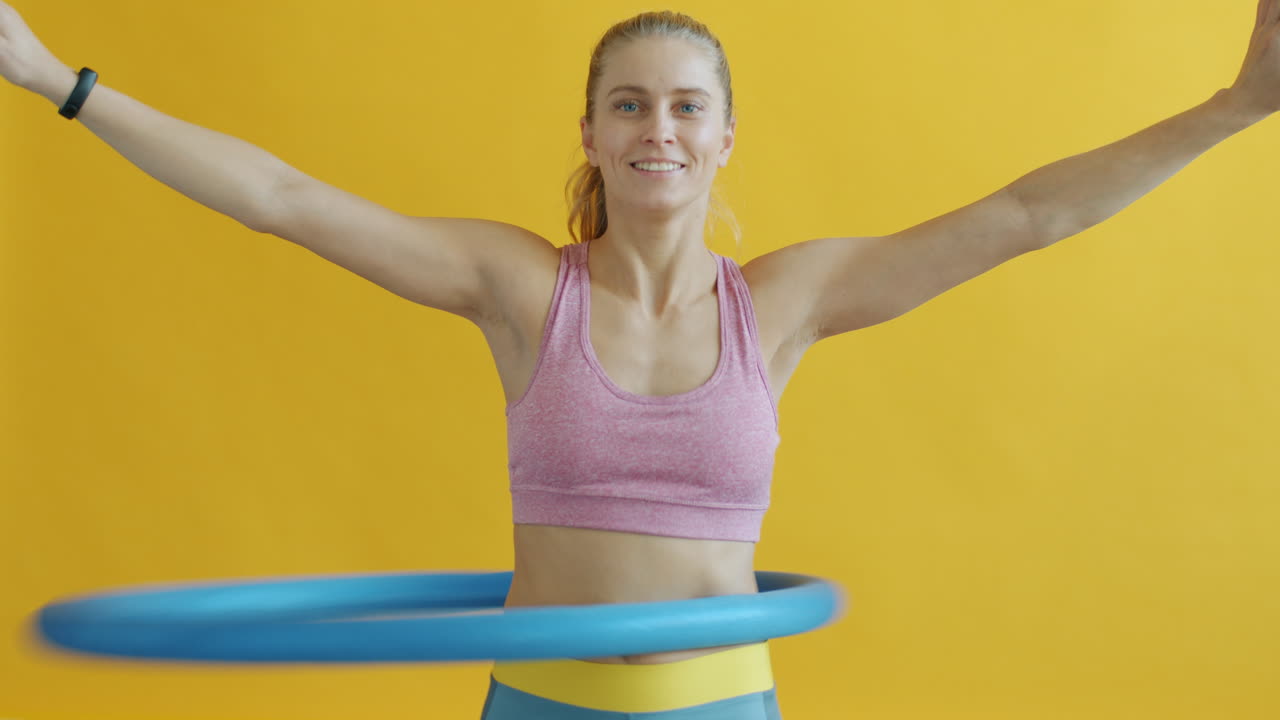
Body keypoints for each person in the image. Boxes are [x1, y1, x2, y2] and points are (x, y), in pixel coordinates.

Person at [4, 1, 1277, 718]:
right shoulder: (517, 289)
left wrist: (1234, 106)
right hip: (538, 703)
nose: (655, 128)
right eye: (628, 102)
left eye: (683, 106)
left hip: (720, 706)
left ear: (724, 137)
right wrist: (57, 79)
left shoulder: (786, 299)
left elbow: (1023, 217)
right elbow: (279, 196)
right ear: (592, 132)